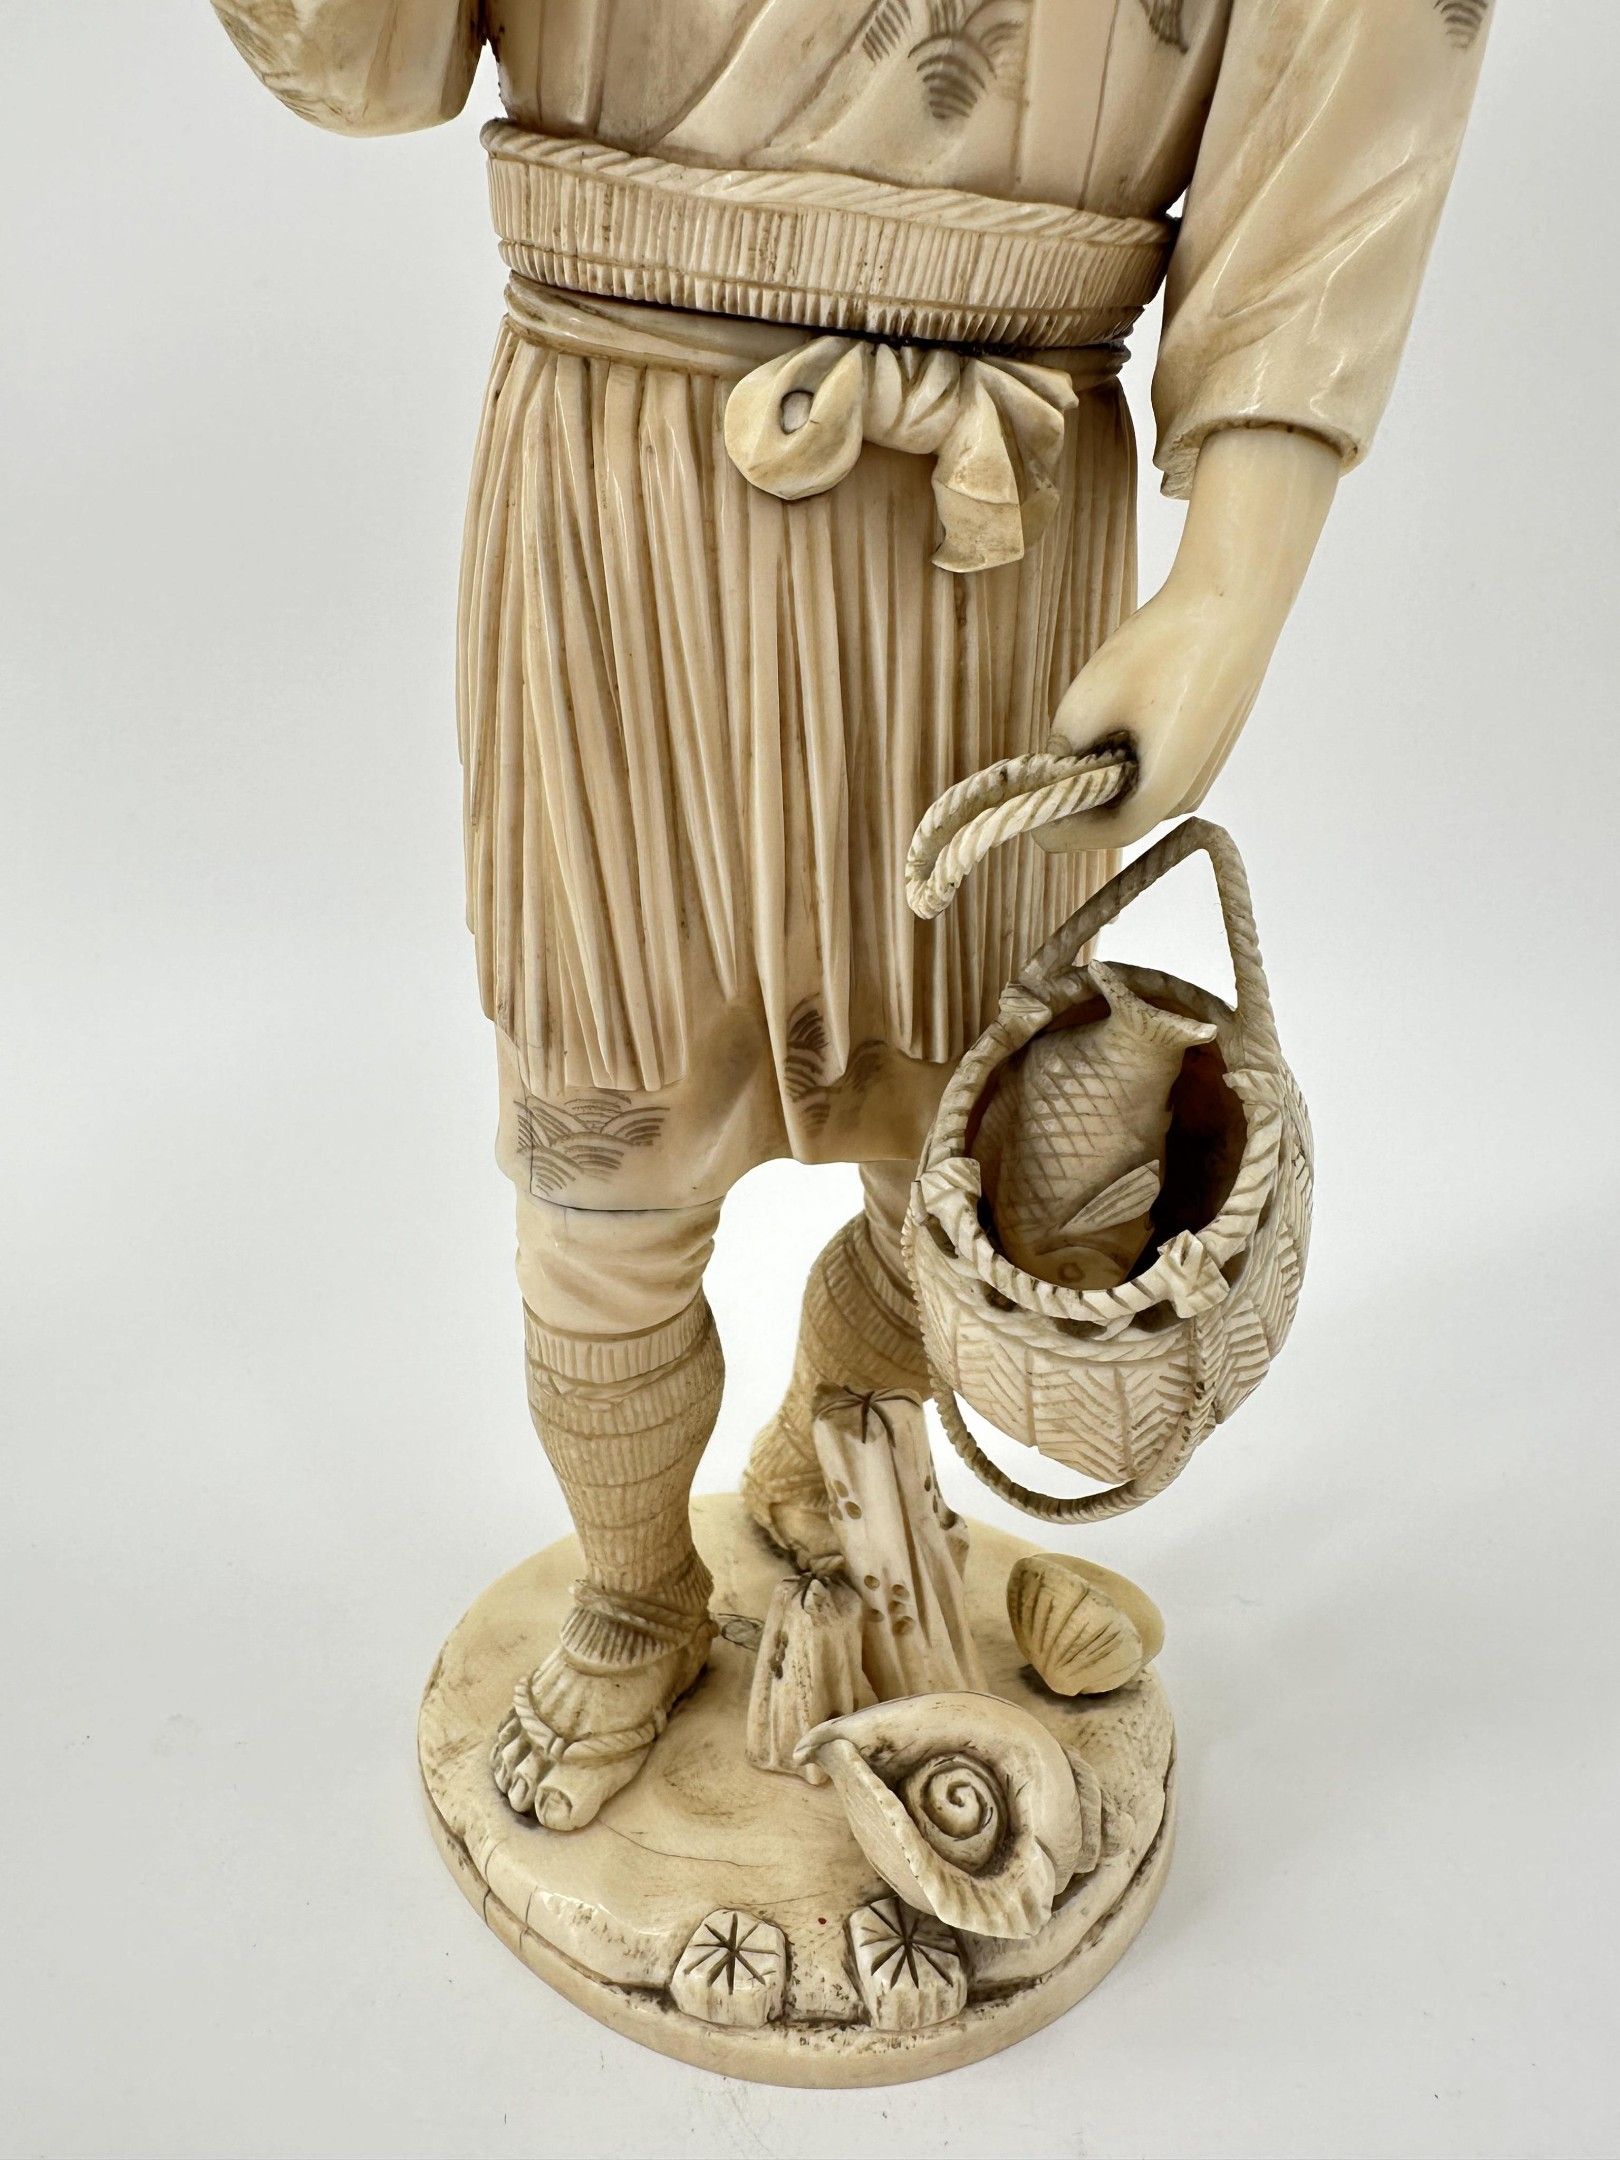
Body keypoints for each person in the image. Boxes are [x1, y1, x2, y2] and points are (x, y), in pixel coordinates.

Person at [213, 0, 1488, 1829]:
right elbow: (370, 65)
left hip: (997, 509)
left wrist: (1238, 577)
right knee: (603, 1139)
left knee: (959, 1137)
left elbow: (1357, 62)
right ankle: (635, 1589)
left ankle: (835, 1455)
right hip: (618, 469)